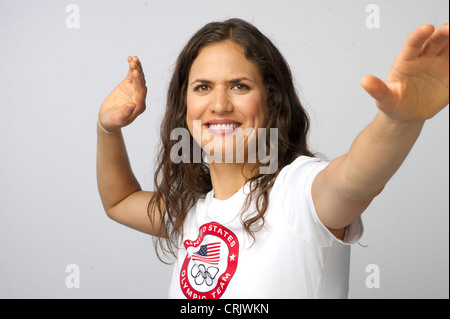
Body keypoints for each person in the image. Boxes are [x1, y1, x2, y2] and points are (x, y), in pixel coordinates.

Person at [96, 19, 449, 299]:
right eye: (203, 87)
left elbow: (357, 179)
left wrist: (400, 121)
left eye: (240, 86)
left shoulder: (300, 192)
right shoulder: (193, 212)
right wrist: (107, 128)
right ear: (185, 106)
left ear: (272, 101)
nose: (219, 104)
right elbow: (119, 201)